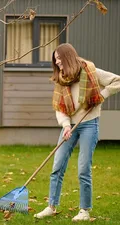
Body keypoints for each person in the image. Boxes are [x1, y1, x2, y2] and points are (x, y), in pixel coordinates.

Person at [34, 43, 120, 221]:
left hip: (89, 124)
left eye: (59, 59)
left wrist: (101, 96)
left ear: (68, 57)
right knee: (57, 166)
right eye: (55, 60)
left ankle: (84, 210)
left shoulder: (90, 71)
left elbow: (117, 80)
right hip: (69, 127)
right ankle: (51, 205)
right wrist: (65, 125)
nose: (57, 63)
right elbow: (60, 108)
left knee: (83, 168)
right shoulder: (61, 79)